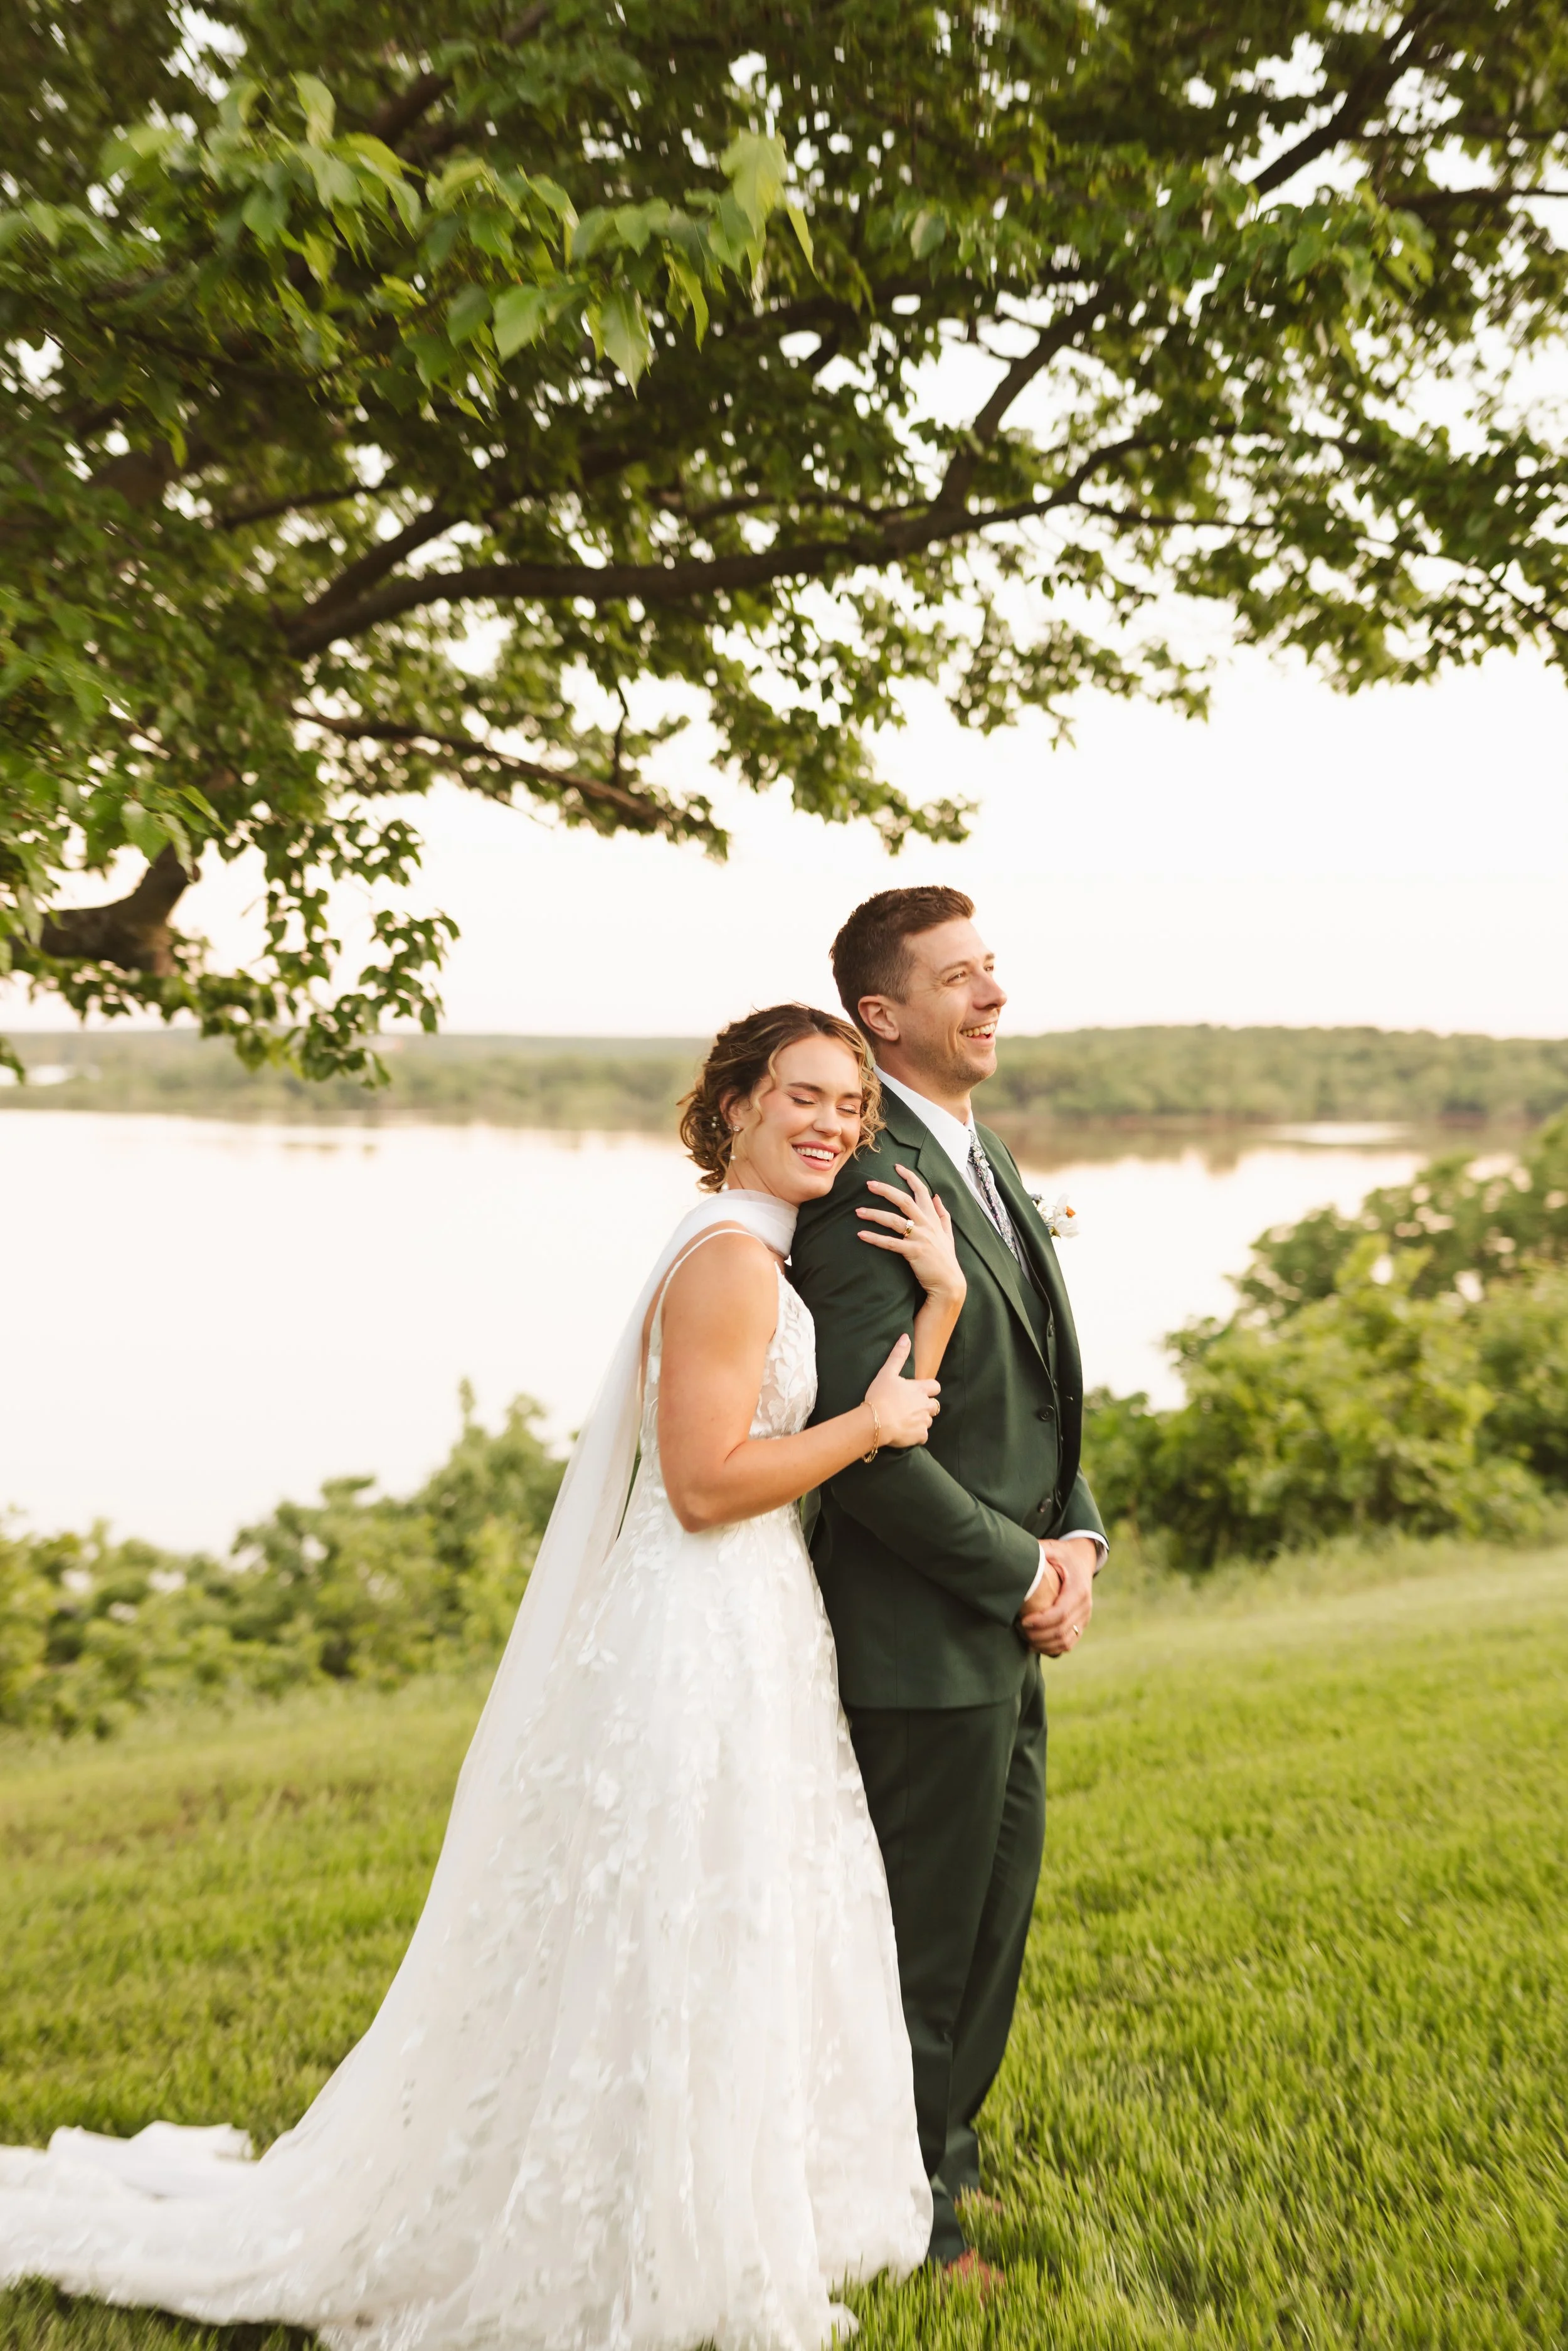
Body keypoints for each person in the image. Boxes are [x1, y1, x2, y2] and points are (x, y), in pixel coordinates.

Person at [0, 1004, 966, 2351]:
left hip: (746, 1622)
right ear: (734, 1101)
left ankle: (695, 2195)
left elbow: (870, 1427)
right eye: (802, 1095)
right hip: (694, 1621)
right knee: (680, 1913)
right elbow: (702, 1487)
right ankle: (636, 2217)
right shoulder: (732, 1264)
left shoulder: (753, 1248)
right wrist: (866, 1418)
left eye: (850, 1108)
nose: (830, 1124)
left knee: (715, 1913)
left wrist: (942, 1303)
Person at [790, 887, 1107, 2274]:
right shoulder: (868, 1181)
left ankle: (939, 2175)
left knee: (989, 1923)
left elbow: (1033, 1393)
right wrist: (1013, 1569)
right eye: (958, 978)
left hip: (1003, 1617)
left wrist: (1077, 1541)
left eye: (993, 970)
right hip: (917, 1630)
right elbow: (860, 1448)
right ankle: (907, 2220)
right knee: (917, 1948)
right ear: (883, 1015)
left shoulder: (979, 1157)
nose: (991, 996)